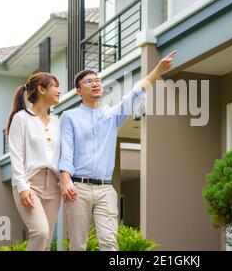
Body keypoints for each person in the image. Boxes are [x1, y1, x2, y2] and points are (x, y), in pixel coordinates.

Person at [59, 50, 177, 251]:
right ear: (78, 91)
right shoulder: (69, 117)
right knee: (78, 245)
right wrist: (65, 180)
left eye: (97, 80)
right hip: (79, 188)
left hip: (106, 189)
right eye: (89, 81)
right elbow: (66, 151)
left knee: (109, 243)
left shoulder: (112, 115)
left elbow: (136, 93)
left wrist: (158, 70)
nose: (95, 83)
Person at [6, 72, 62, 251]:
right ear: (41, 89)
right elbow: (16, 156)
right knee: (40, 232)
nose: (59, 91)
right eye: (54, 86)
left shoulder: (57, 122)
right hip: (30, 184)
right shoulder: (21, 118)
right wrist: (23, 187)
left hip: (54, 185)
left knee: (46, 240)